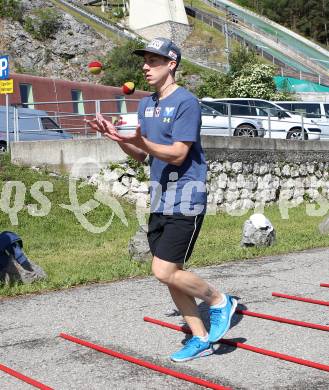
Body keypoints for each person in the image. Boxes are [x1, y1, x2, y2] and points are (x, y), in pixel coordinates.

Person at [86, 37, 237, 362]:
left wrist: (142, 140)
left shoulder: (187, 102)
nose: (145, 66)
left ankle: (219, 301)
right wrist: (118, 139)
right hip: (161, 199)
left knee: (164, 270)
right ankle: (200, 338)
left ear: (172, 64)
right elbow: (144, 155)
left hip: (187, 197)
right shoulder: (146, 104)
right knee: (171, 274)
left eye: (153, 61)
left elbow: (179, 154)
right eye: (145, 60)